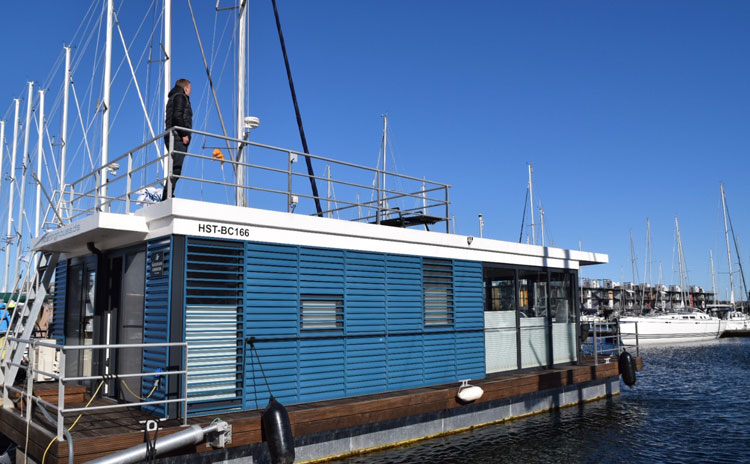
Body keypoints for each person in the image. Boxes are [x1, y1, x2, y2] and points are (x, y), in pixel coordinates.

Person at [163, 78, 193, 200]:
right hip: (177, 137)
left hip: (171, 135)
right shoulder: (180, 97)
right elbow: (177, 116)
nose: (190, 91)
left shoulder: (173, 97)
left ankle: (168, 193)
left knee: (174, 167)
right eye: (190, 88)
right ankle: (167, 195)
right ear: (186, 88)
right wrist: (184, 134)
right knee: (176, 167)